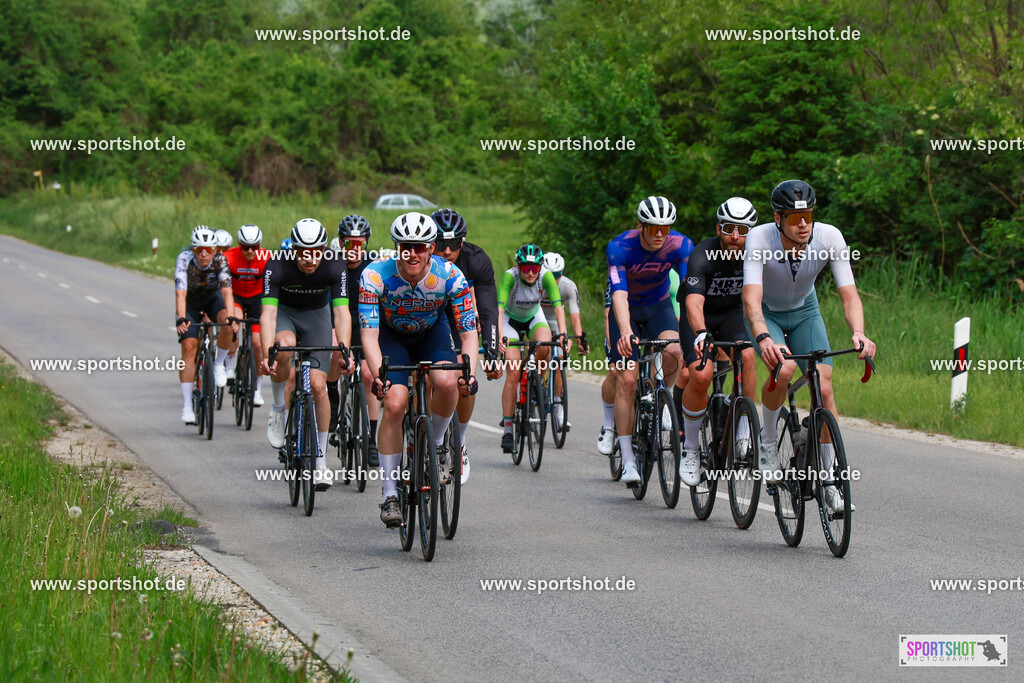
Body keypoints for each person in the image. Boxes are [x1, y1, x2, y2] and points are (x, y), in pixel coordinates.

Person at [742, 180, 875, 512]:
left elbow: (849, 296)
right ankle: (769, 443)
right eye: (794, 218)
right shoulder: (759, 238)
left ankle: (829, 481)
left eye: (808, 216)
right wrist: (764, 338)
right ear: (778, 218)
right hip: (767, 314)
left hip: (805, 312)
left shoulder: (830, 237)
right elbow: (751, 300)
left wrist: (859, 332)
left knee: (824, 388)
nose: (804, 224)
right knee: (784, 367)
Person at [359, 212, 479, 527]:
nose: (412, 254)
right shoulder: (374, 275)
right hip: (391, 337)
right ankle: (389, 495)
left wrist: (470, 373)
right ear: (397, 247)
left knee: (448, 382)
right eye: (406, 247)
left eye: (420, 247)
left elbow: (468, 333)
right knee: (396, 403)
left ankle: (437, 446)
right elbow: (369, 336)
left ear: (431, 247)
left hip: (432, 334)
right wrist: (380, 377)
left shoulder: (450, 275)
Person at [261, 219, 353, 491]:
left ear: (324, 248)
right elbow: (268, 314)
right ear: (295, 249)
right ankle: (279, 406)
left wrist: (344, 348)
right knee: (285, 345)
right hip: (285, 315)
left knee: (318, 386)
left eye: (317, 251)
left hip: (317, 316)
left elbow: (341, 312)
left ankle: (321, 462)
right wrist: (269, 352)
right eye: (304, 252)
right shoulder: (277, 265)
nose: (311, 259)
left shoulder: (336, 265)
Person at [607, 196, 693, 486]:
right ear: (640, 226)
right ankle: (629, 460)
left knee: (675, 349)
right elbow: (618, 293)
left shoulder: (681, 245)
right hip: (628, 310)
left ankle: (662, 397)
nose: (659, 234)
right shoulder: (620, 248)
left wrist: (692, 326)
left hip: (658, 307)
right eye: (653, 228)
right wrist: (624, 330)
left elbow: (686, 289)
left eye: (665, 228)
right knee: (627, 380)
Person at [679, 197, 759, 486]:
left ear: (751, 232)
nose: (735, 237)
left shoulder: (756, 254)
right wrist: (701, 332)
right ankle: (689, 449)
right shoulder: (702, 253)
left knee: (748, 357)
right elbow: (693, 304)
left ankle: (743, 434)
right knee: (700, 375)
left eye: (742, 230)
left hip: (732, 316)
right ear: (718, 228)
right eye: (728, 229)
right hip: (700, 318)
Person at [432, 208, 502, 484]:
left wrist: (493, 353)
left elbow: (488, 311)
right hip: (431, 316)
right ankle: (420, 430)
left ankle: (458, 444)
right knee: (426, 373)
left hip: (463, 319)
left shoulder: (477, 260)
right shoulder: (421, 260)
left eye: (453, 244)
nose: (447, 251)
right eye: (440, 244)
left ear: (463, 242)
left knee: (465, 377)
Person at [497, 244, 567, 453]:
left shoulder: (546, 276)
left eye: (534, 268)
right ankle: (508, 429)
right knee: (513, 371)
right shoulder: (510, 277)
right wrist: (499, 335)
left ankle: (538, 384)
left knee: (545, 345)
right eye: (525, 267)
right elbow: (498, 310)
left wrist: (563, 335)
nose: (529, 272)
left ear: (540, 268)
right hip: (509, 320)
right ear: (518, 267)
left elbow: (558, 307)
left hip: (533, 317)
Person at [331, 214, 380, 467]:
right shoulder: (332, 265)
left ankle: (371, 438)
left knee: (370, 376)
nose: (354, 249)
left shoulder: (374, 267)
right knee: (335, 352)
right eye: (349, 243)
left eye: (359, 244)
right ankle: (333, 394)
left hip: (367, 324)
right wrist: (342, 345)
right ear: (340, 243)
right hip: (339, 322)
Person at [174, 226, 236, 423]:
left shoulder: (220, 260)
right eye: (199, 249)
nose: (203, 254)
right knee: (189, 347)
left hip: (212, 299)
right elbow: (180, 292)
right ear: (193, 250)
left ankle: (218, 364)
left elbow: (226, 291)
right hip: (191, 302)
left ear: (215, 250)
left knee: (226, 322)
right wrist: (182, 317)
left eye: (208, 249)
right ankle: (186, 407)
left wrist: (232, 316)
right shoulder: (184, 259)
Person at [539, 252, 588, 432]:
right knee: (538, 351)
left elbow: (575, 316)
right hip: (536, 320)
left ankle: (559, 410)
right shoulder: (536, 283)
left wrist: (580, 338)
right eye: (550, 276)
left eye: (557, 275)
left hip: (555, 322)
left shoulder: (568, 286)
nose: (554, 279)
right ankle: (532, 387)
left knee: (558, 361)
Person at [222, 224, 269, 406]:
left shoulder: (267, 258)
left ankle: (257, 389)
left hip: (257, 298)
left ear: (260, 245)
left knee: (258, 344)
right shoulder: (229, 258)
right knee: (235, 323)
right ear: (238, 244)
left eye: (254, 247)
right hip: (237, 297)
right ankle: (231, 366)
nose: (250, 251)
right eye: (245, 247)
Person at [596, 278, 618, 455]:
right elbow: (608, 314)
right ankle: (609, 423)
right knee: (616, 371)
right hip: (618, 326)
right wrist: (612, 352)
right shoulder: (617, 275)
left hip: (650, 321)